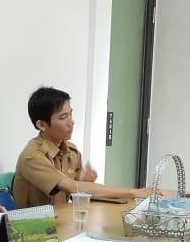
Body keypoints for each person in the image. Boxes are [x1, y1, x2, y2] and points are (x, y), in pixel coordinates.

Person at [10, 86, 151, 209]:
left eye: (70, 114)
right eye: (63, 117)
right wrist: (136, 192)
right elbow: (73, 187)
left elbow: (76, 191)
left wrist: (85, 182)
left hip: (63, 220)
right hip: (34, 230)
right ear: (41, 125)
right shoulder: (32, 156)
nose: (71, 122)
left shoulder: (71, 151)